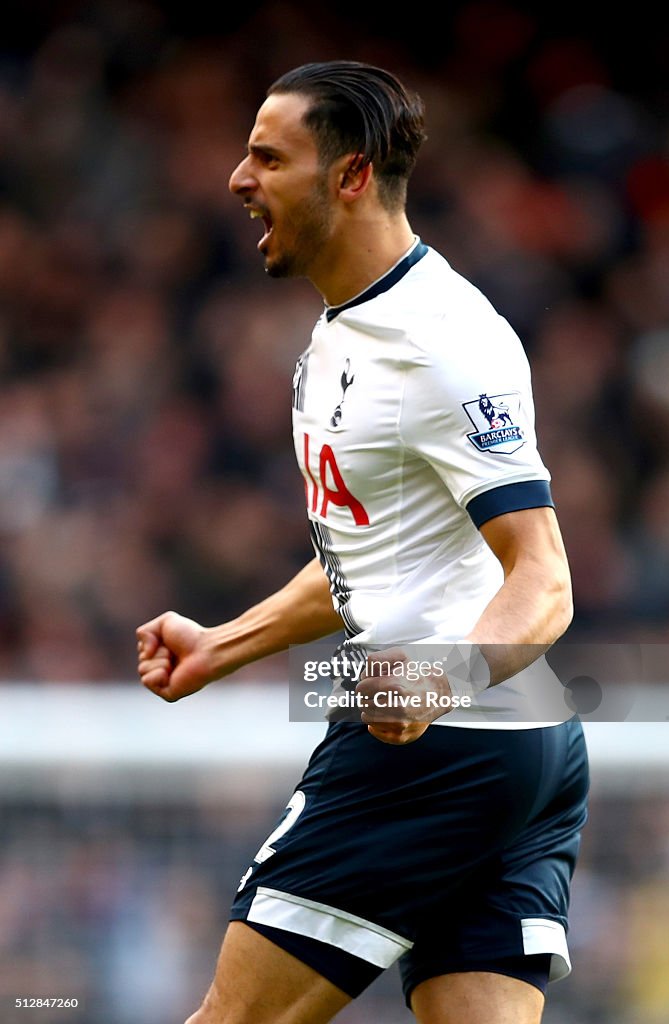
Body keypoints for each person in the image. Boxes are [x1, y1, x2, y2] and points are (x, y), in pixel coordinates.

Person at [136, 61, 589, 1024]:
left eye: (268, 155)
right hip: (519, 744)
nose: (236, 178)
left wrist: (437, 680)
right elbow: (376, 557)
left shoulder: (440, 342)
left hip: (439, 744)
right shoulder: (348, 332)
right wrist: (226, 642)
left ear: (348, 176)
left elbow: (543, 576)